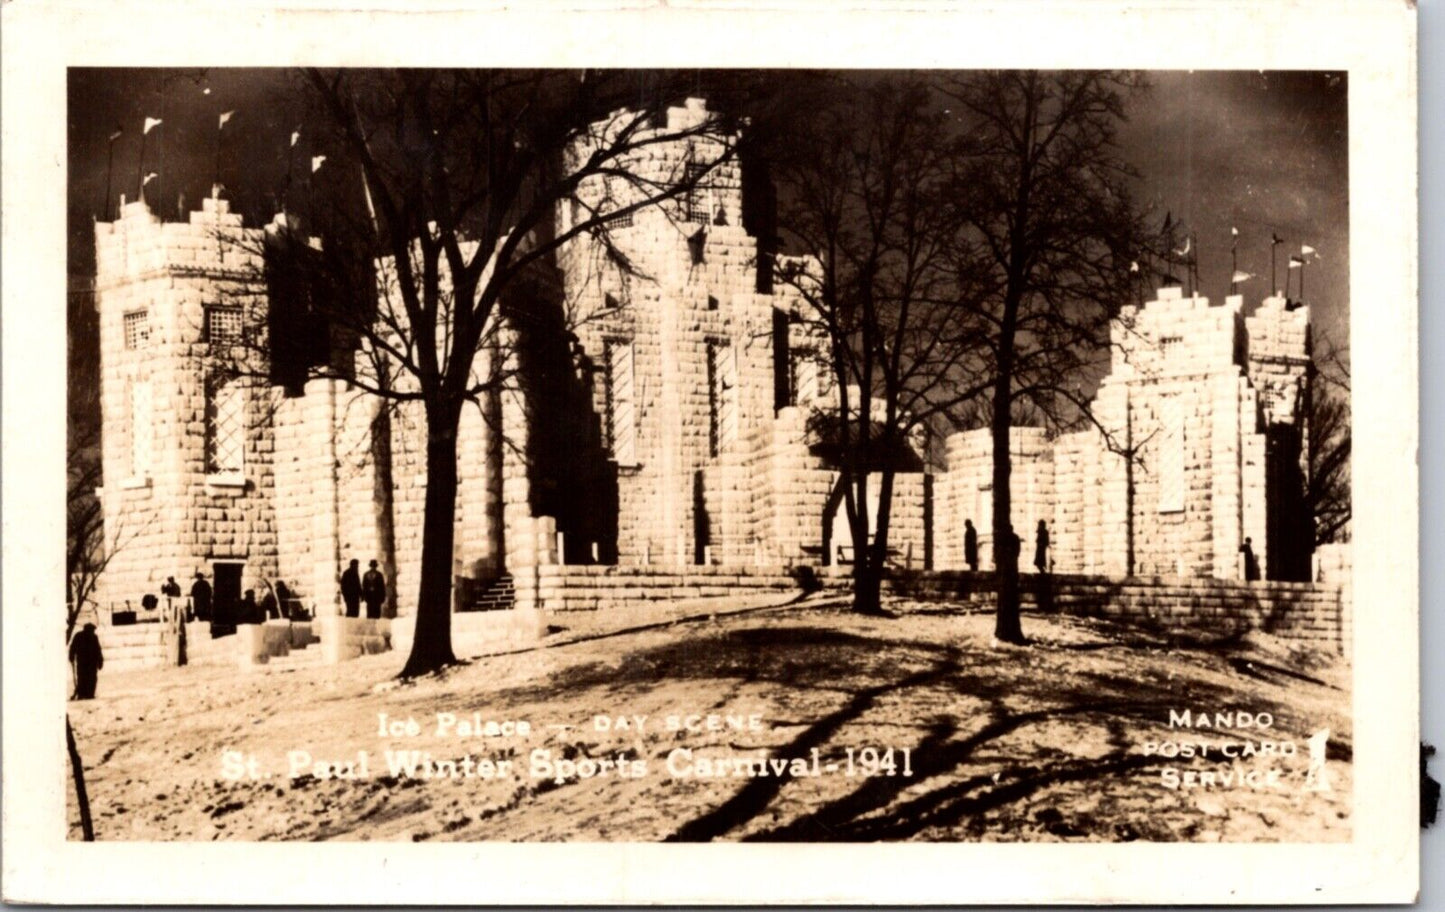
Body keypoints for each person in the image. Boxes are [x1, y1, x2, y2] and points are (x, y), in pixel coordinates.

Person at [69, 623, 103, 700]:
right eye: (92, 630)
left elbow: (98, 650)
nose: (93, 632)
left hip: (90, 662)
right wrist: (71, 656)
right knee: (83, 677)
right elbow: (73, 647)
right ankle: (83, 694)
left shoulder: (93, 637)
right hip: (84, 662)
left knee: (89, 678)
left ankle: (89, 694)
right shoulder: (79, 636)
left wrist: (100, 661)